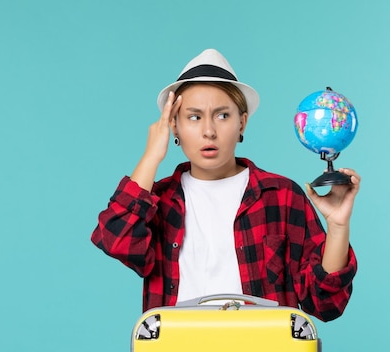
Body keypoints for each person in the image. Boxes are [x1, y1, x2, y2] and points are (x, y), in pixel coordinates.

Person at [90, 49, 360, 322]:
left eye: (222, 116)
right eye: (193, 117)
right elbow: (116, 239)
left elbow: (325, 304)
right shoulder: (158, 201)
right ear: (174, 127)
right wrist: (151, 156)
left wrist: (338, 227)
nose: (209, 130)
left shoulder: (281, 196)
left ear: (242, 122)